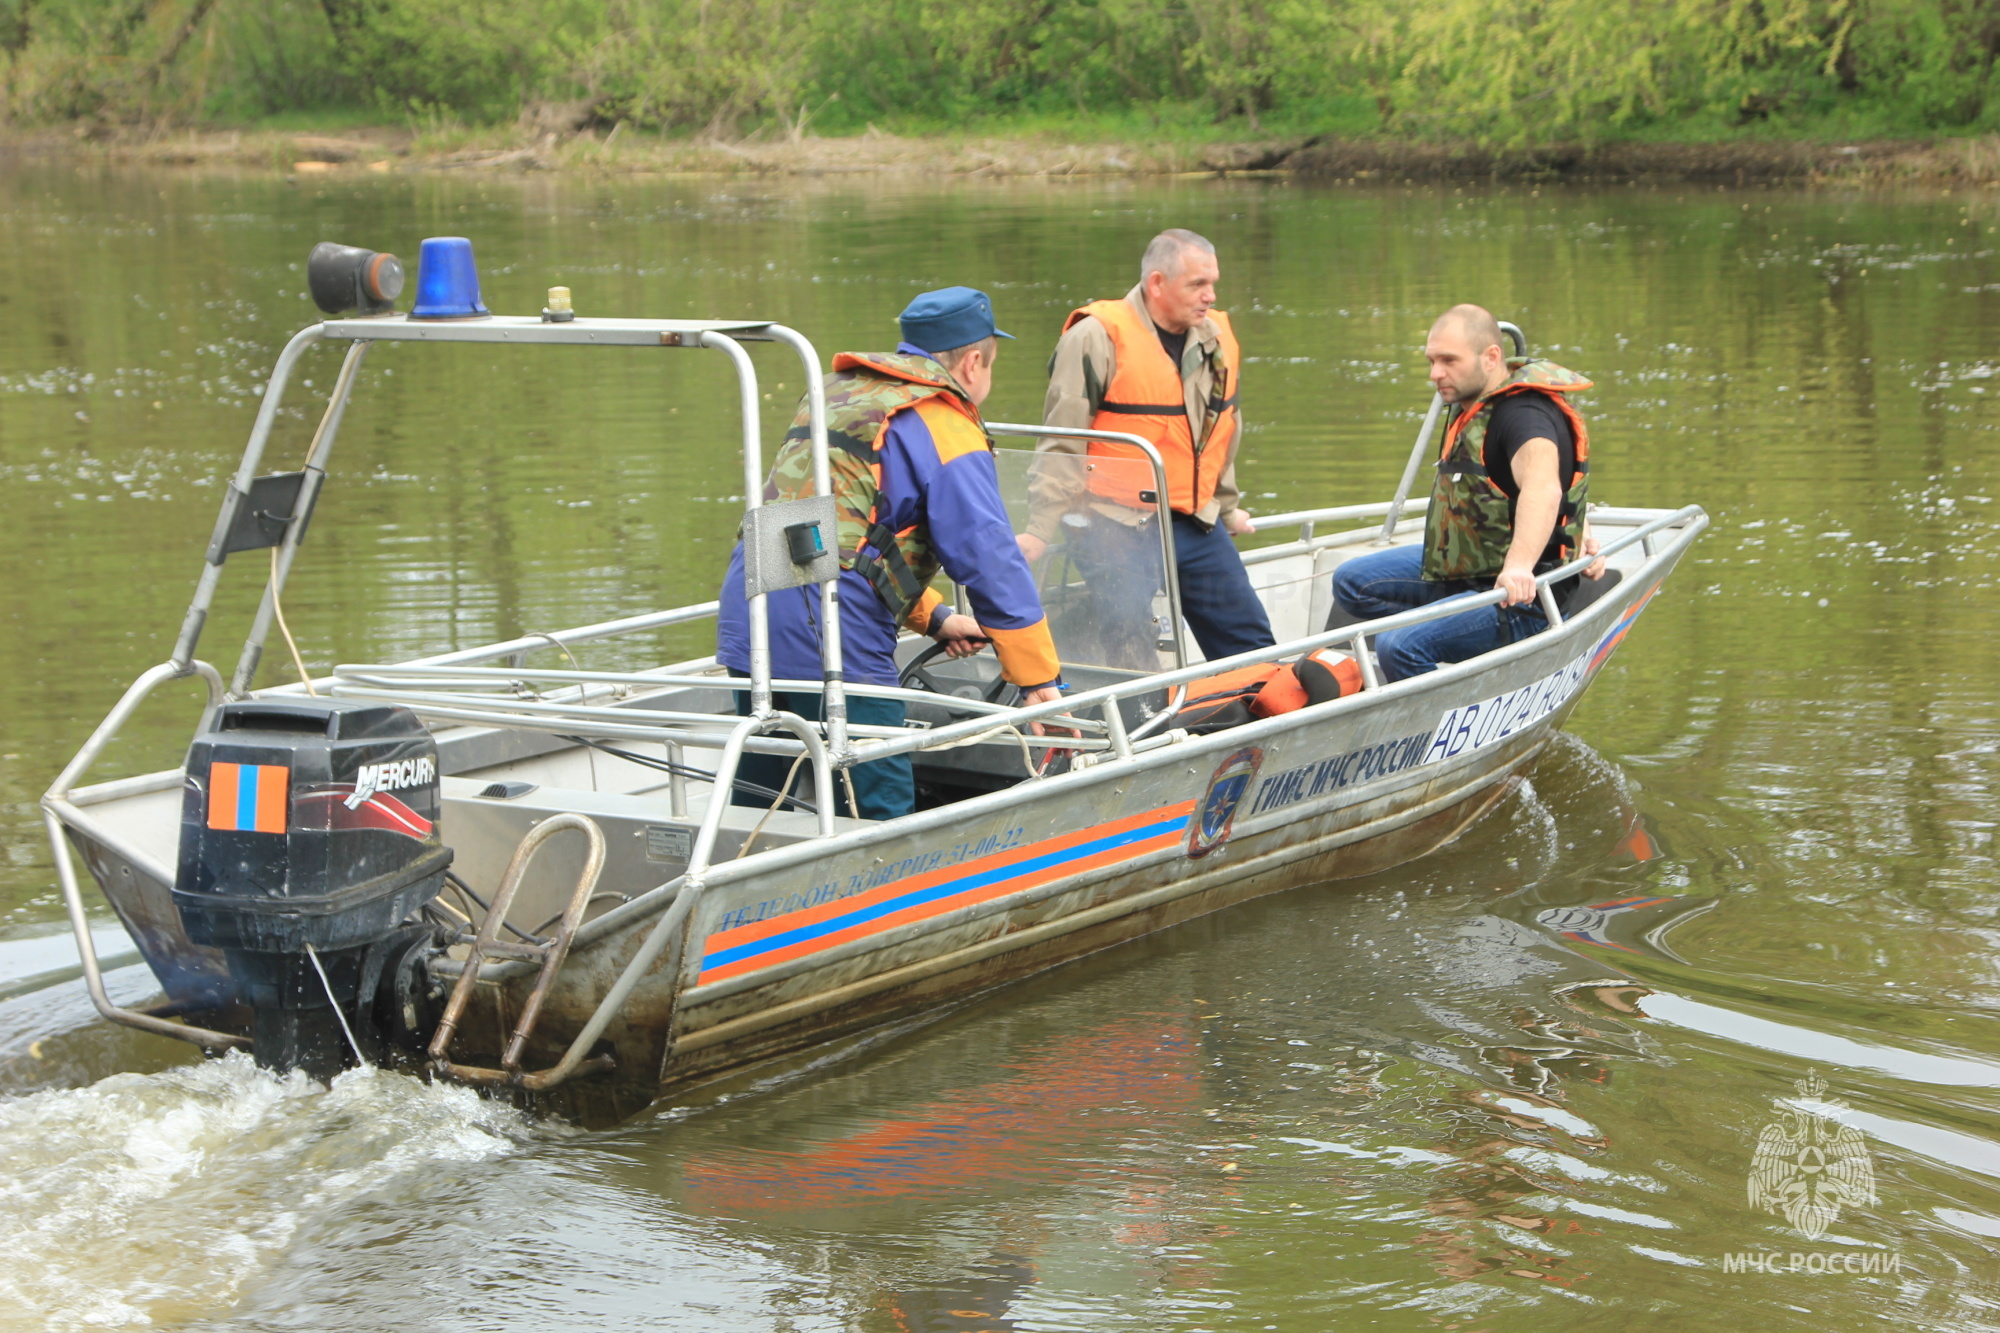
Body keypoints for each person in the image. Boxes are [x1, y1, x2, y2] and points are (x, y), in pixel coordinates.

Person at [715, 287, 1065, 820]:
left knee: (764, 797)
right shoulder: (942, 421)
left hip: (756, 599)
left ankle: (745, 889)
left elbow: (833, 534)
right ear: (973, 362)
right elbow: (989, 556)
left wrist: (936, 618)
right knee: (881, 804)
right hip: (833, 628)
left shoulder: (833, 392)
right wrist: (1038, 678)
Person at [1021, 229, 1275, 668]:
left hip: (1192, 518)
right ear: (1157, 284)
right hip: (1109, 519)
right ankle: (1146, 729)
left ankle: (1261, 724)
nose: (1210, 296)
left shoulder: (1217, 339)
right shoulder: (1095, 336)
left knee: (1251, 641)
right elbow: (1063, 439)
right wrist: (1040, 527)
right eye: (1197, 284)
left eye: (1213, 283)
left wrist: (1228, 507)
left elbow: (1220, 429)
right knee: (1129, 639)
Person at [1331, 303, 1605, 682]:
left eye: (1448, 361)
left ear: (1491, 357)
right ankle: (1458, 631)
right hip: (1470, 567)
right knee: (1351, 582)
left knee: (1398, 645)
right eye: (1431, 360)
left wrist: (1519, 567)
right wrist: (1583, 525)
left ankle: (1435, 715)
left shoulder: (1524, 416)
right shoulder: (1473, 402)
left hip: (1523, 595)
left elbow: (1545, 487)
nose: (1435, 373)